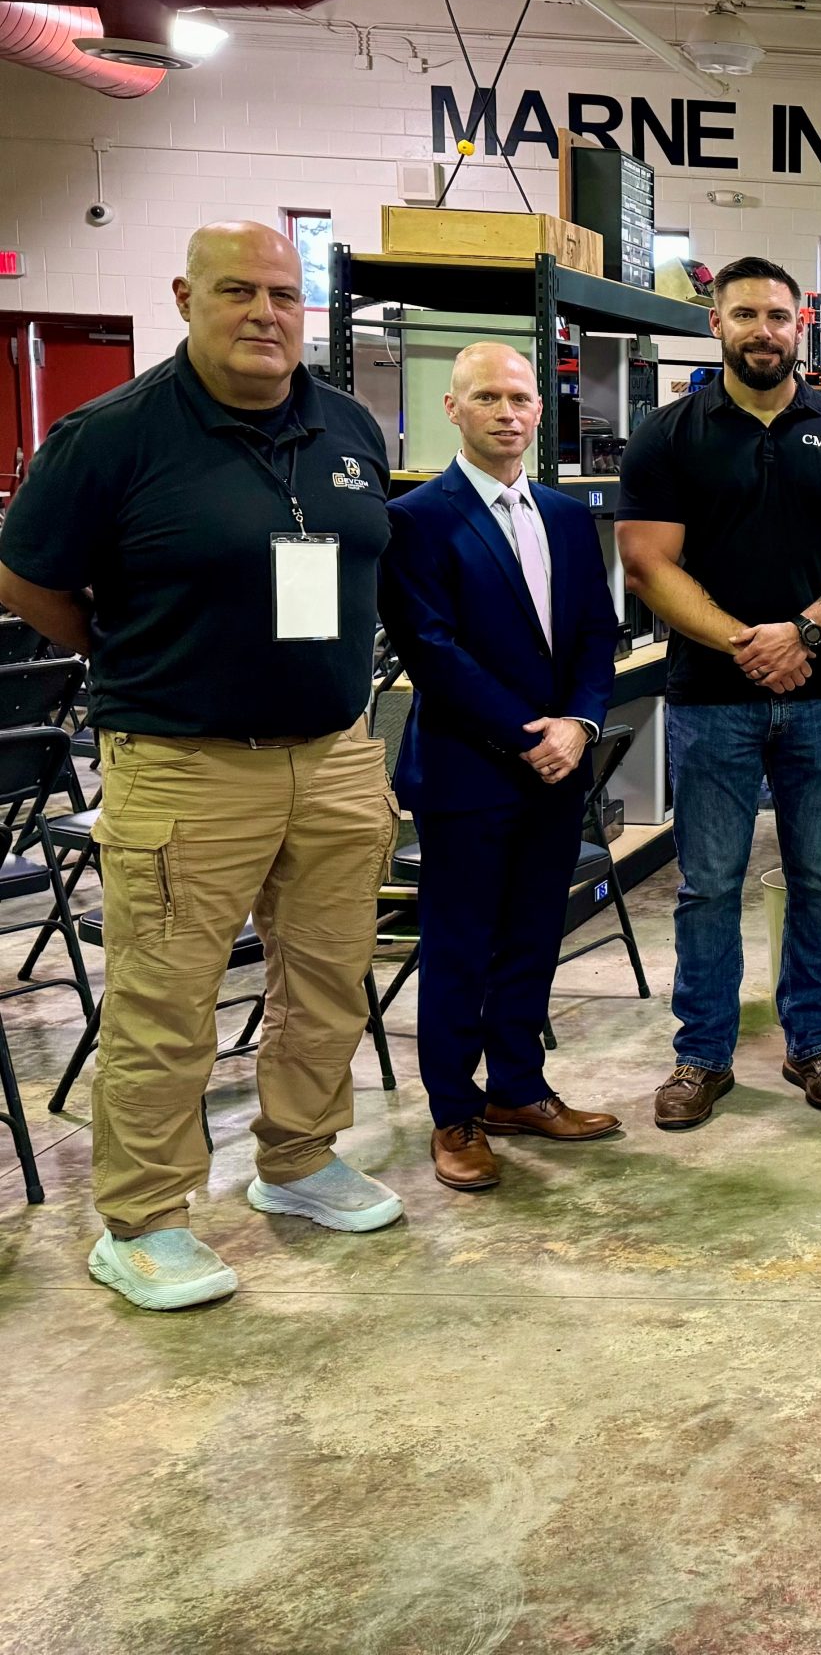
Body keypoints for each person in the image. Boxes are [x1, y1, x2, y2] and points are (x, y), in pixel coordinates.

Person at [0, 221, 404, 1311]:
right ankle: (142, 1220)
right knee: (165, 1000)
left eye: (283, 293)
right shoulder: (113, 436)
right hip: (184, 766)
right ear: (187, 296)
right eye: (238, 290)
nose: (264, 313)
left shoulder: (347, 424)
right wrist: (127, 652)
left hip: (332, 758)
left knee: (324, 980)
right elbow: (27, 580)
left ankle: (299, 1160)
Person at [617, 256, 821, 1130]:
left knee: (818, 878)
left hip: (820, 699)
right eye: (746, 314)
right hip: (710, 696)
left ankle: (813, 1042)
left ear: (800, 321)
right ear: (717, 324)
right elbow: (646, 561)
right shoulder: (669, 433)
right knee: (709, 884)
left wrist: (804, 633)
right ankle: (701, 1057)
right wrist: (744, 641)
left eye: (778, 315)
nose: (764, 330)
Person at [378, 344, 624, 1193]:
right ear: (453, 409)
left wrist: (583, 722)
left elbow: (596, 630)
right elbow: (433, 652)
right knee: (460, 947)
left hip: (557, 769)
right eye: (488, 397)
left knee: (531, 938)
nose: (509, 412)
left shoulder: (561, 514)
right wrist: (532, 734)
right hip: (469, 771)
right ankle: (454, 1112)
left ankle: (518, 1089)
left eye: (521, 397)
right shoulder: (417, 518)